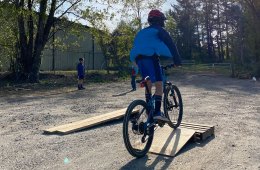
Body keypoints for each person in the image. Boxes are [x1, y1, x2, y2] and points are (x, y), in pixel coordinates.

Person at [130, 9, 182, 122]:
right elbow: (171, 45)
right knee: (159, 84)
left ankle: (149, 110)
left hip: (138, 60)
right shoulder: (159, 30)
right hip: (150, 58)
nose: (163, 23)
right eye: (163, 20)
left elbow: (141, 46)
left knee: (148, 83)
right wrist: (177, 61)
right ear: (159, 20)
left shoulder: (142, 32)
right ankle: (157, 112)